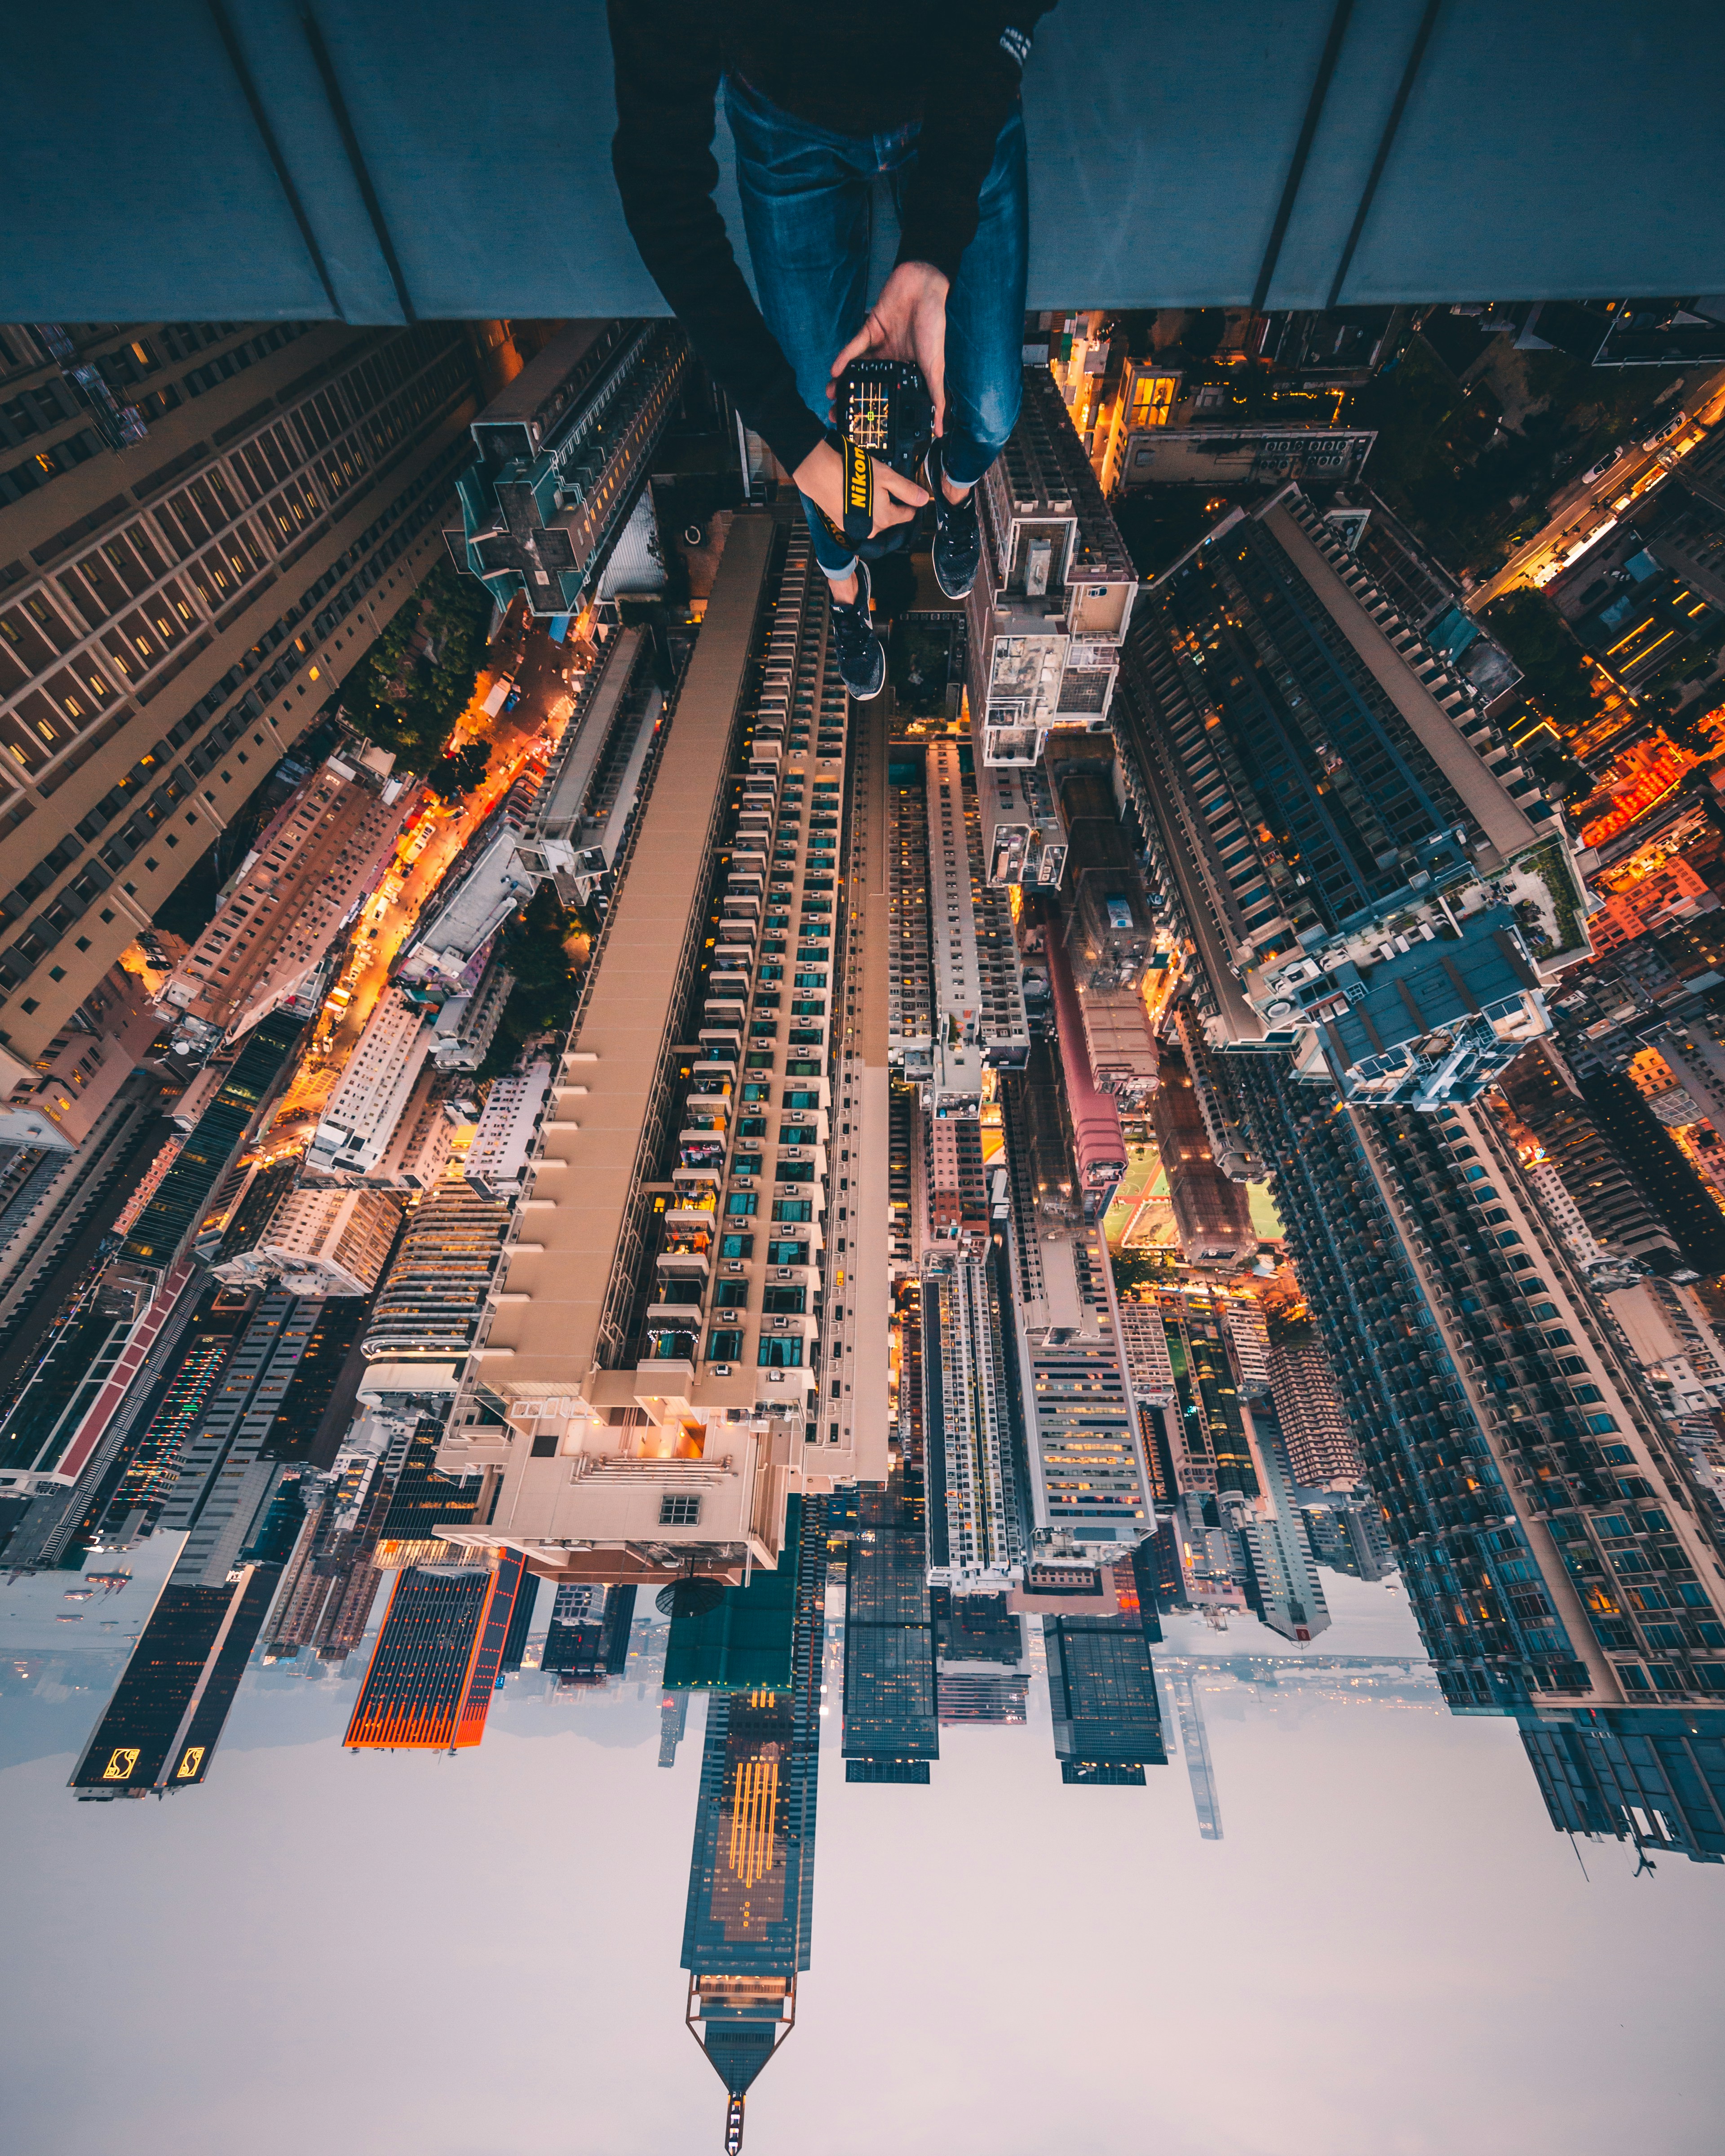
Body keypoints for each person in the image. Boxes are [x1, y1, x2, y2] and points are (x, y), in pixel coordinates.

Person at [608, 3, 1053, 698]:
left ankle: (954, 491)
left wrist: (937, 238)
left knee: (992, 411)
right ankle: (846, 594)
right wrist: (797, 446)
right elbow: (659, 181)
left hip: (959, 87)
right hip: (785, 120)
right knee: (825, 454)